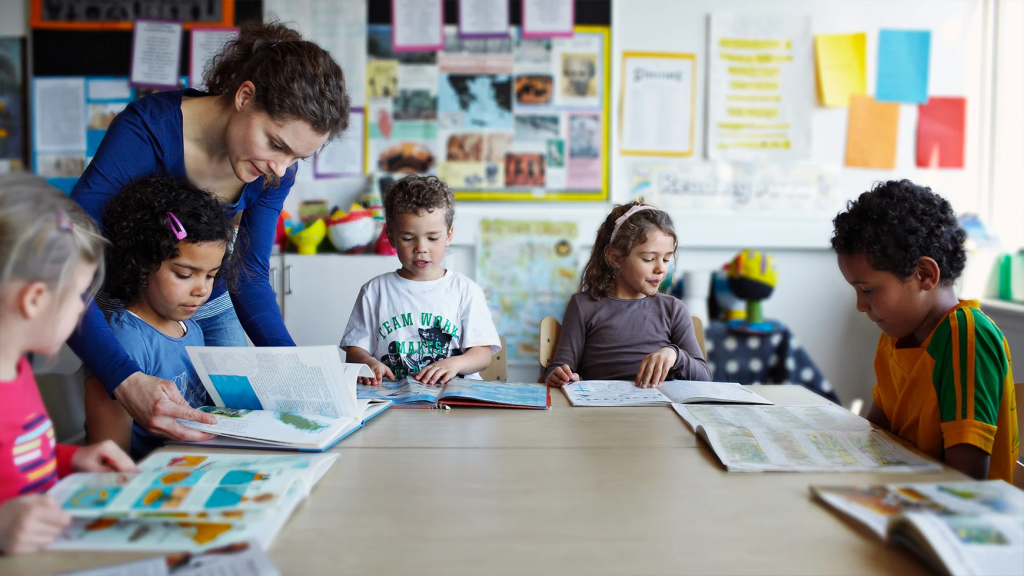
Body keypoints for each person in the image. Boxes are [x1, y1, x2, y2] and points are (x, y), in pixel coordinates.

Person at [68, 21, 351, 442]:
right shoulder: (146, 129)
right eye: (275, 144)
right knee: (133, 426)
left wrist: (299, 373)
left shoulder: (275, 171)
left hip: (213, 302)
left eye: (296, 157)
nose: (280, 169)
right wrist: (124, 378)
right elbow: (67, 261)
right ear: (244, 96)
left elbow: (249, 274)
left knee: (234, 430)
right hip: (128, 297)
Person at [832, 180, 1018, 482]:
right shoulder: (896, 334)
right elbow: (876, 433)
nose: (860, 306)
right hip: (903, 493)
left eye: (867, 290)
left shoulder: (966, 336)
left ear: (924, 275)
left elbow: (966, 478)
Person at [0, 175, 136, 555]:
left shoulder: (17, 369)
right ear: (35, 299)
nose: (82, 308)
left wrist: (72, 458)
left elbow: (20, 459)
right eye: (79, 294)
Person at [84, 175, 241, 460]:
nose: (201, 290)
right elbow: (110, 458)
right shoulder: (125, 340)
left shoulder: (190, 327)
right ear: (142, 263)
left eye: (211, 276)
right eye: (184, 274)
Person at [341, 176, 500, 385]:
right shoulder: (374, 291)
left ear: (449, 235)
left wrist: (455, 364)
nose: (421, 248)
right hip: (393, 401)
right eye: (408, 238)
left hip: (453, 403)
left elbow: (482, 354)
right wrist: (367, 362)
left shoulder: (466, 290)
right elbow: (354, 350)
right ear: (391, 237)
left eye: (433, 238)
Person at [545, 201, 712, 388]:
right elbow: (559, 368)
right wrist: (560, 376)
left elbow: (705, 378)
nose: (661, 268)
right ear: (615, 258)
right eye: (648, 259)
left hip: (658, 413)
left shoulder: (673, 309)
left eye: (666, 259)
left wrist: (675, 355)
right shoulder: (583, 305)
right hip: (599, 412)